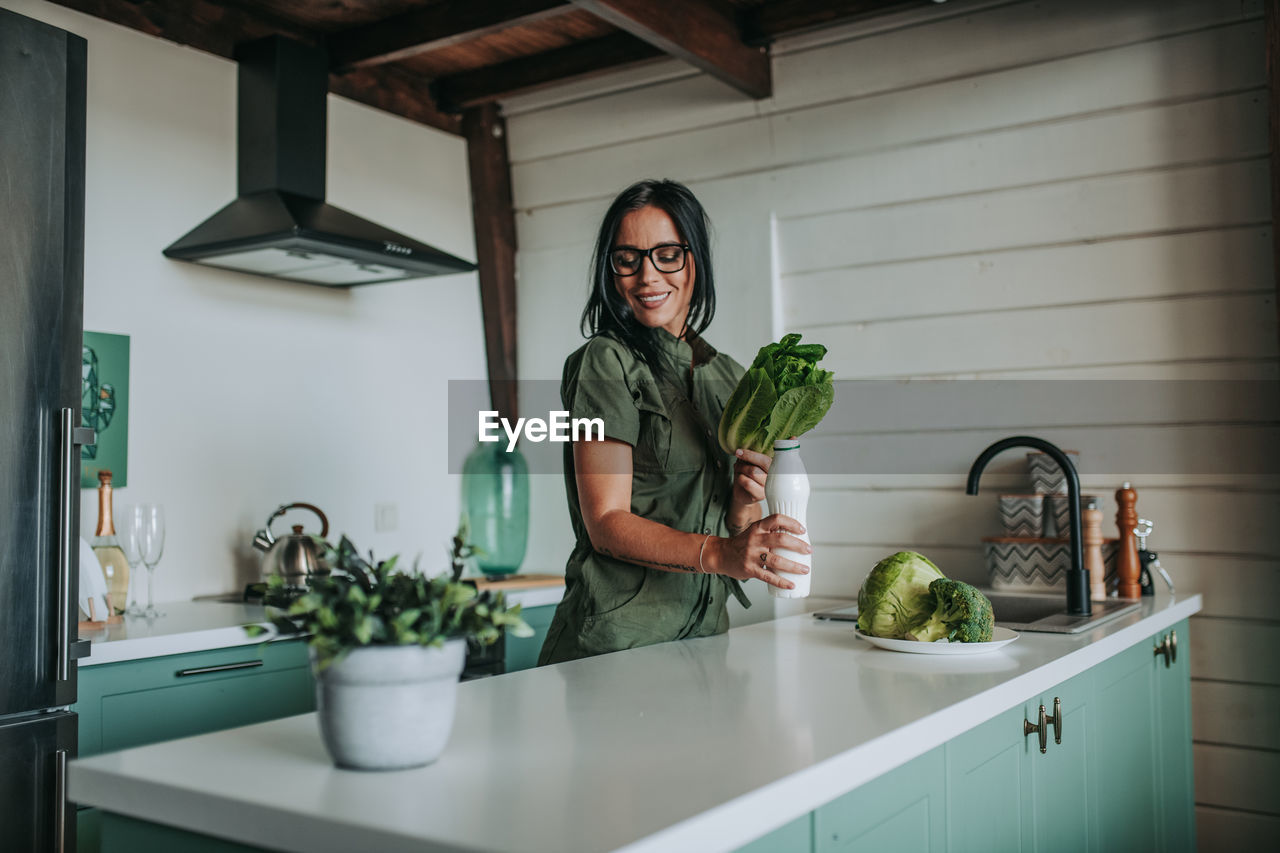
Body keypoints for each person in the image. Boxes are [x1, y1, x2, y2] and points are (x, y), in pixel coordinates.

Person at [538, 179, 811, 665]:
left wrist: (744, 501)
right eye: (628, 258)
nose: (647, 276)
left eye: (667, 254)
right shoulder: (607, 362)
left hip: (704, 643)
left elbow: (734, 526)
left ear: (695, 261)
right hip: (613, 651)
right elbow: (605, 523)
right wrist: (723, 555)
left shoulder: (731, 377)